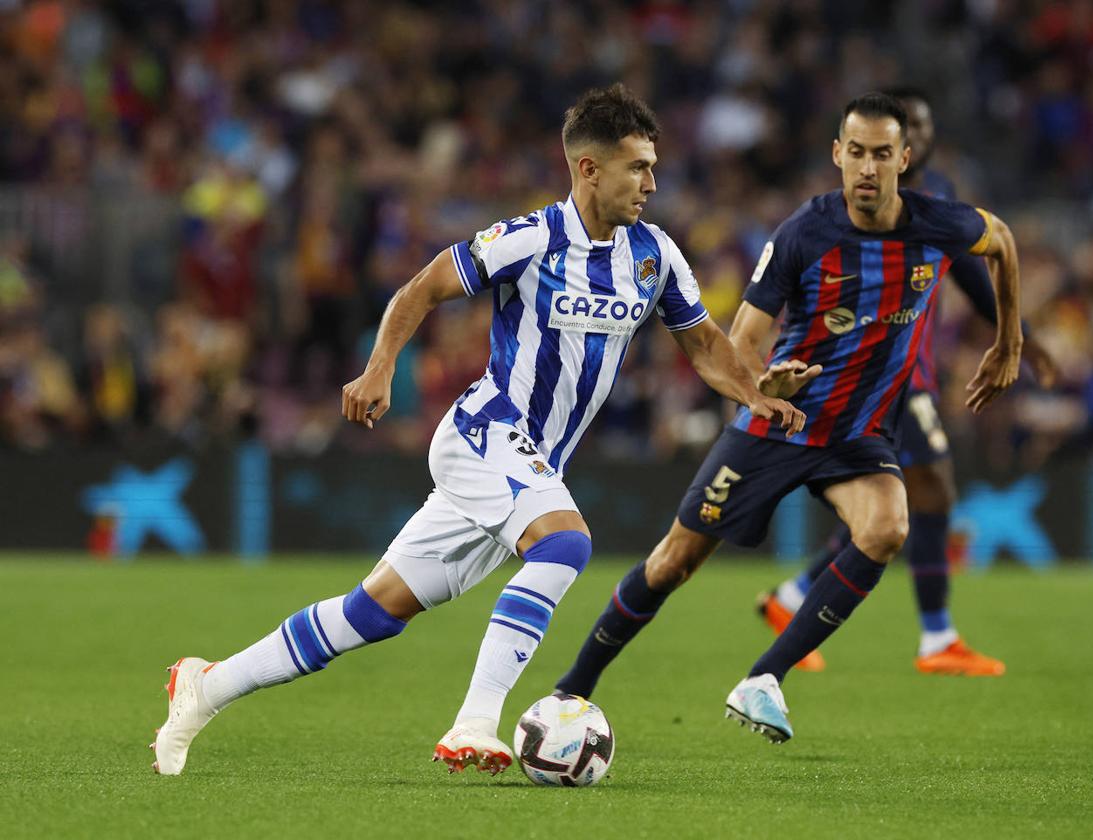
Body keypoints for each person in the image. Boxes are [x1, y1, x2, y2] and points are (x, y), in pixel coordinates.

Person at [149, 84, 804, 777]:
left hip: (530, 464)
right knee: (566, 543)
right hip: (485, 431)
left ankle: (205, 685)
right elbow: (422, 288)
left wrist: (757, 391)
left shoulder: (656, 256)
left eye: (652, 166)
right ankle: (473, 724)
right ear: (588, 169)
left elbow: (703, 345)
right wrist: (378, 370)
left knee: (371, 613)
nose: (651, 181)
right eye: (637, 166)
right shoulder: (531, 237)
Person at [555, 92, 1024, 743]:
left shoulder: (936, 223)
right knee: (672, 564)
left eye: (881, 155)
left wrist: (1009, 342)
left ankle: (764, 678)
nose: (866, 168)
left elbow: (1000, 239)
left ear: (904, 159)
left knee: (888, 525)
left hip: (857, 435)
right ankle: (570, 689)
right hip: (778, 424)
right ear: (837, 154)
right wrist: (761, 386)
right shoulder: (805, 233)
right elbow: (742, 339)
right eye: (855, 152)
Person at [758, 86, 1058, 677]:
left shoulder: (933, 205)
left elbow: (975, 271)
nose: (911, 138)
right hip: (878, 375)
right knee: (928, 494)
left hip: (905, 370)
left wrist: (1014, 332)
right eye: (903, 128)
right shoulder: (846, 210)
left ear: (915, 144)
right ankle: (934, 637)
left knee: (910, 502)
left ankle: (796, 598)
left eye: (918, 128)